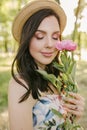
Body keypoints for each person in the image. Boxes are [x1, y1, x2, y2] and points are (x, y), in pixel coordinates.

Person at [8, 0, 85, 130]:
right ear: (27, 40)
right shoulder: (21, 85)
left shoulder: (59, 79)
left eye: (55, 37)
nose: (50, 44)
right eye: (39, 36)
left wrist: (73, 117)